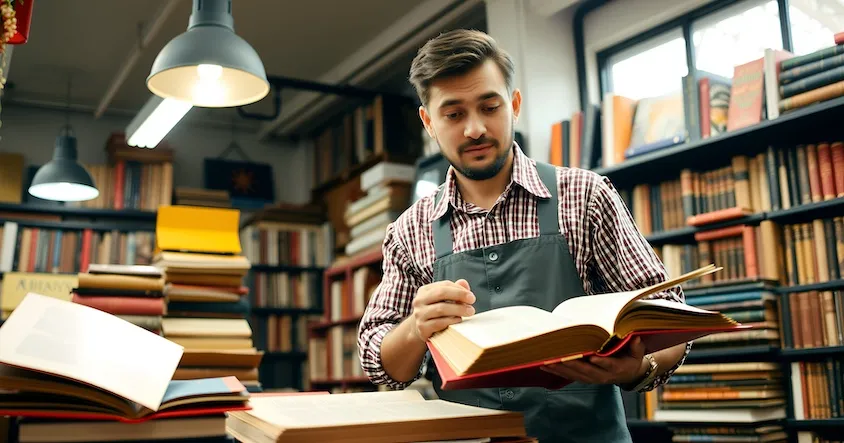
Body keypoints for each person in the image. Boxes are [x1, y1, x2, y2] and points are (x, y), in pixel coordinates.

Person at [357, 29, 690, 442]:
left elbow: (669, 315)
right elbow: (380, 364)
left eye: (489, 106)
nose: (475, 129)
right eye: (454, 114)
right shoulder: (410, 230)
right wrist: (415, 328)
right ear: (429, 122)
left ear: (513, 104)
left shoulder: (586, 196)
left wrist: (639, 368)